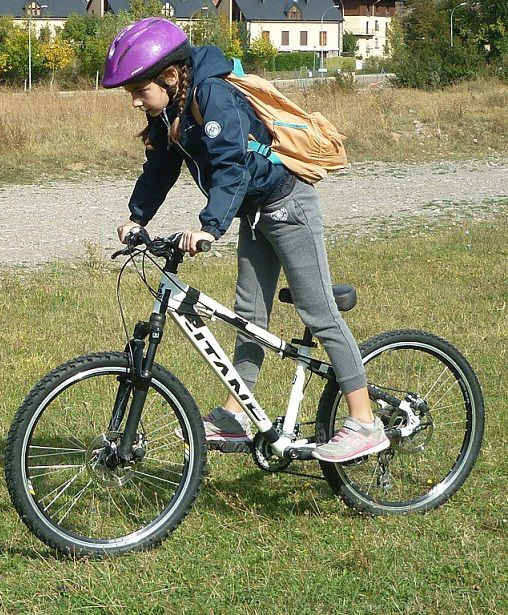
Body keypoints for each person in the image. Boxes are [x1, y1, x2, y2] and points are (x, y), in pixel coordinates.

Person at [102, 18, 389, 463]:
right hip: (254, 213)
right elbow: (160, 168)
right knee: (249, 314)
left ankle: (365, 422)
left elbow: (232, 165)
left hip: (288, 206)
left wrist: (208, 227)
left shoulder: (212, 95)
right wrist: (135, 217)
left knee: (318, 311)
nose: (137, 101)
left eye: (140, 90)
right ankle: (237, 416)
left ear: (172, 76)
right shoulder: (171, 111)